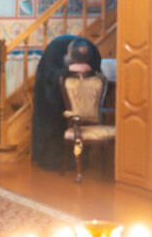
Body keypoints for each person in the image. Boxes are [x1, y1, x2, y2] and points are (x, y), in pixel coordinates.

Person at [31, 35, 101, 170]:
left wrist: (88, 69)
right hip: (49, 92)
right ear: (68, 53)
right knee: (53, 122)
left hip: (80, 99)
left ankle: (78, 160)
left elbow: (96, 70)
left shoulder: (92, 51)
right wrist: (68, 70)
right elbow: (49, 75)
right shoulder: (55, 50)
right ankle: (51, 161)